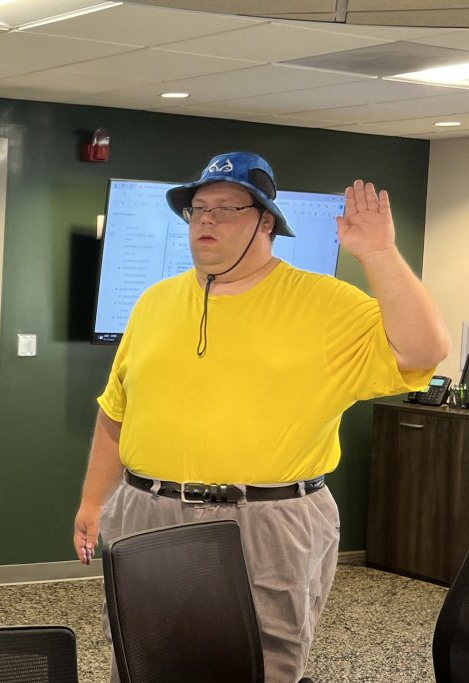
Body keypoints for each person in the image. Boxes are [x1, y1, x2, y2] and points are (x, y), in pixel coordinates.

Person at [73, 151, 449, 683]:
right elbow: (117, 410)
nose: (206, 220)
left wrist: (381, 254)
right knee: (141, 658)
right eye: (198, 208)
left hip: (267, 519)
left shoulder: (325, 302)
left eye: (226, 209)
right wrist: (94, 501)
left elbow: (423, 350)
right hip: (145, 510)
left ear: (265, 222)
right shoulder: (154, 302)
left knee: (260, 665)